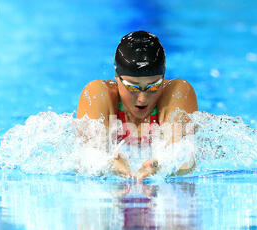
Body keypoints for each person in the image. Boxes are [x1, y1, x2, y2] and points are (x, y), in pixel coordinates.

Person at [77, 31, 198, 181]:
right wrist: (109, 164)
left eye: (153, 86)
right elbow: (87, 159)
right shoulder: (98, 94)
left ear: (163, 79)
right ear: (117, 79)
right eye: (132, 87)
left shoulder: (177, 93)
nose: (142, 99)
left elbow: (183, 159)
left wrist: (160, 166)